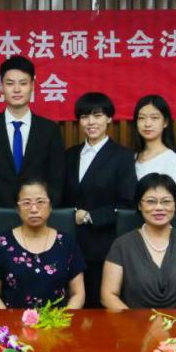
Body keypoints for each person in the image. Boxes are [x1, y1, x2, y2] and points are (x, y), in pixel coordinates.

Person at [61, 91, 135, 307]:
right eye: (85, 117)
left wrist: (90, 217)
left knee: (98, 306)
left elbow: (127, 203)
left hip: (104, 245)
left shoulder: (123, 156)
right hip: (70, 243)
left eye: (97, 115)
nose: (91, 122)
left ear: (109, 118)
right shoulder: (70, 155)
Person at [101, 173, 176, 310]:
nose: (159, 208)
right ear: (139, 205)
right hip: (133, 322)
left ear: (175, 205)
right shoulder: (122, 246)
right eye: (151, 201)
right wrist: (132, 321)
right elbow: (108, 295)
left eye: (166, 201)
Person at [0, 56, 65, 214]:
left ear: (32, 86)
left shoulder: (50, 130)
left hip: (39, 217)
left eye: (23, 83)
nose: (16, 90)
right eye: (10, 83)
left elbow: (57, 180)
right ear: (1, 87)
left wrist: (40, 211)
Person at [0, 179, 86, 309]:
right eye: (26, 203)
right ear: (17, 208)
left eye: (40, 202)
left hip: (57, 319)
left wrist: (63, 318)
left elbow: (78, 293)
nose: (34, 209)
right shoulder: (0, 243)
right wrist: (7, 320)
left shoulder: (67, 243)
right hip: (12, 319)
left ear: (50, 206)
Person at [131, 94, 176, 195]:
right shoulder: (132, 157)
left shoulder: (171, 159)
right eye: (141, 118)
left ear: (165, 122)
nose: (147, 124)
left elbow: (173, 198)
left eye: (154, 118)